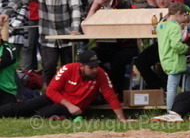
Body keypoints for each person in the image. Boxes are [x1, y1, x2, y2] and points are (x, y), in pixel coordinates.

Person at [0, 49, 130, 121]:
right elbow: (51, 91)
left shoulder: (100, 73)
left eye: (96, 66)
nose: (95, 70)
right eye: (91, 67)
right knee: (24, 107)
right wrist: (70, 105)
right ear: (81, 66)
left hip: (70, 108)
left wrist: (122, 118)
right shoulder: (68, 69)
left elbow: (110, 95)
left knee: (42, 114)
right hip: (60, 100)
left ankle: (41, 117)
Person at [0, 0, 81, 81]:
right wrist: (7, 12)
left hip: (68, 35)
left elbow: (76, 8)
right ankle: (49, 93)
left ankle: (68, 93)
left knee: (69, 68)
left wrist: (75, 28)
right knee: (49, 67)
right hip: (47, 36)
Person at [154, 2, 190, 112]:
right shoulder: (175, 26)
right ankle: (171, 111)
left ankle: (188, 96)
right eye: (185, 15)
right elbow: (176, 45)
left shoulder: (162, 24)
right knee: (172, 87)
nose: (185, 19)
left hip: (165, 59)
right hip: (175, 60)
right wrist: (185, 48)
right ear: (178, 13)